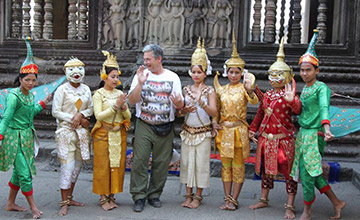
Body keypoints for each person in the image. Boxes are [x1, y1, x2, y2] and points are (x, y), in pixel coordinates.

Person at [290, 29, 346, 220]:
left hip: (315, 135)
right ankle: (337, 203)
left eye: (308, 70)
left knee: (306, 176)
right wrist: (292, 101)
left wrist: (327, 129)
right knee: (313, 174)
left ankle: (307, 211)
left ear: (317, 71)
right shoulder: (306, 89)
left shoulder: (321, 88)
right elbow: (301, 110)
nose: (304, 73)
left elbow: (323, 108)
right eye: (302, 70)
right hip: (303, 134)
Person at [248, 38, 301, 219]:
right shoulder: (268, 95)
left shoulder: (290, 95)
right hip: (266, 139)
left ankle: (290, 204)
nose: (273, 78)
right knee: (265, 170)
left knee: (288, 172)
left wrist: (291, 100)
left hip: (284, 140)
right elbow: (260, 115)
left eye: (278, 75)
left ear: (286, 76)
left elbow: (298, 110)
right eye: (271, 74)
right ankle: (264, 198)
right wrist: (252, 130)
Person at [128, 44, 184, 212]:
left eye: (148, 59)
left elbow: (180, 104)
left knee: (161, 162)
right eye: (144, 59)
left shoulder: (173, 77)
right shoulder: (141, 75)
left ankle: (154, 194)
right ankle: (139, 196)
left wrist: (178, 102)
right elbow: (132, 100)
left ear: (158, 59)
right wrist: (140, 83)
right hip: (144, 123)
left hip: (165, 125)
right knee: (139, 160)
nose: (145, 62)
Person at [0, 37, 51, 219]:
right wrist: (0, 134)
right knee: (24, 174)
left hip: (27, 137)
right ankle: (34, 208)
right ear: (20, 79)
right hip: (13, 138)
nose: (31, 83)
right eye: (27, 80)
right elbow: (6, 117)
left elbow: (30, 113)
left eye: (33, 80)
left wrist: (43, 103)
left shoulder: (29, 95)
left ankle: (10, 203)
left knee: (18, 173)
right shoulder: (13, 96)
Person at [212, 32, 258, 210]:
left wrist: (250, 90)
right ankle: (226, 197)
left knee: (238, 167)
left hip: (239, 132)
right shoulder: (221, 90)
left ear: (241, 73)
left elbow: (254, 101)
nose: (233, 75)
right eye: (230, 72)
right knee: (225, 167)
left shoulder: (244, 89)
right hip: (224, 132)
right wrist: (214, 123)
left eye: (236, 72)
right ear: (227, 72)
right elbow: (216, 110)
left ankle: (234, 199)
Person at [179, 38, 217, 209]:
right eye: (193, 71)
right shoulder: (185, 89)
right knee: (187, 163)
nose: (196, 75)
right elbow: (179, 112)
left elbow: (214, 112)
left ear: (205, 74)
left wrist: (202, 103)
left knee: (201, 164)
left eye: (199, 72)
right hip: (188, 130)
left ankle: (198, 196)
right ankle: (188, 194)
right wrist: (184, 110)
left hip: (203, 132)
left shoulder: (210, 91)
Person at [52, 57, 93, 216]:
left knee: (77, 167)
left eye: (80, 69)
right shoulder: (62, 89)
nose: (76, 73)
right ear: (66, 72)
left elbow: (90, 108)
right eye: (72, 69)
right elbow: (56, 111)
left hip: (81, 132)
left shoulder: (86, 89)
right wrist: (73, 118)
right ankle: (64, 203)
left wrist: (81, 115)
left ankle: (69, 197)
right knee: (67, 168)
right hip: (66, 132)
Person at [91, 51, 131, 211]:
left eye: (117, 76)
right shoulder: (98, 94)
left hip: (118, 133)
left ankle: (112, 195)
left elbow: (128, 116)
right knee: (103, 165)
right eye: (112, 76)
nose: (116, 80)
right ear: (104, 76)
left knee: (117, 165)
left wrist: (124, 108)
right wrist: (115, 106)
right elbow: (98, 115)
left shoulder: (119, 93)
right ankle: (103, 197)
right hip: (103, 133)